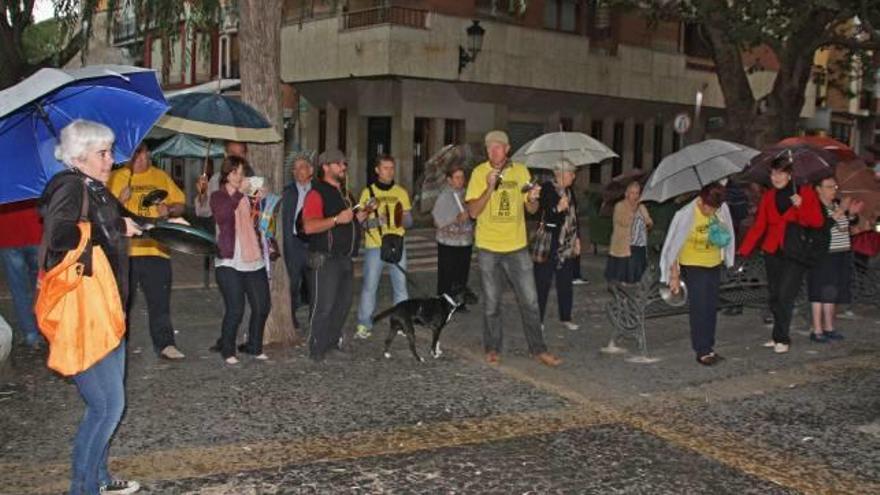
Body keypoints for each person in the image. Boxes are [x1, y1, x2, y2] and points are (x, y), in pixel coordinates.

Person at [40, 120, 142, 494]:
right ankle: (81, 489)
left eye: (110, 151)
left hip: (108, 310)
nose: (110, 159)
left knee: (105, 405)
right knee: (107, 406)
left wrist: (165, 224)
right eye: (103, 153)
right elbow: (58, 239)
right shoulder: (67, 187)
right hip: (86, 314)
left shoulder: (96, 189)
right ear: (79, 156)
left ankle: (99, 478)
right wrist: (112, 228)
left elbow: (126, 222)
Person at [465, 130, 562, 367]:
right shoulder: (479, 173)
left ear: (507, 149)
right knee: (492, 303)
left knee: (530, 300)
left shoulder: (520, 171)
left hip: (517, 247)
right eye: (489, 148)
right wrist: (489, 188)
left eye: (497, 147)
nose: (493, 151)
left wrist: (532, 199)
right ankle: (492, 348)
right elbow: (473, 212)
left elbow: (531, 209)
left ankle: (538, 349)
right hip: (488, 247)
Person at [738, 156, 825, 353]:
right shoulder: (769, 196)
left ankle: (782, 338)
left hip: (795, 252)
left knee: (786, 294)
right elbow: (760, 225)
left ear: (790, 174)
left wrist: (801, 205)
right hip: (772, 251)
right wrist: (744, 249)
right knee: (775, 295)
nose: (775, 177)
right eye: (773, 173)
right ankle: (777, 333)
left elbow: (817, 222)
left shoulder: (805, 193)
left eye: (780, 173)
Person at [108, 144, 187, 360]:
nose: (141, 158)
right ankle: (117, 346)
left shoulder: (161, 176)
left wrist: (169, 209)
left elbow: (180, 203)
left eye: (144, 153)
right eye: (136, 154)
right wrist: (120, 201)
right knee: (121, 303)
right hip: (126, 252)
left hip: (156, 249)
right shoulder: (114, 177)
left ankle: (166, 344)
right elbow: (103, 214)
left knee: (160, 301)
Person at [301, 149, 369, 360]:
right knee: (324, 306)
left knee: (342, 304)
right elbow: (309, 227)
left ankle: (331, 344)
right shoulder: (316, 193)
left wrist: (361, 216)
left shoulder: (347, 194)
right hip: (325, 258)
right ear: (326, 166)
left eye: (344, 163)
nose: (343, 167)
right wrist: (336, 220)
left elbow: (349, 222)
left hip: (345, 258)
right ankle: (316, 348)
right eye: (339, 163)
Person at [660, 183, 735, 366]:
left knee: (711, 306)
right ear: (701, 201)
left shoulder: (720, 208)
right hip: (693, 264)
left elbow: (729, 234)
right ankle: (702, 350)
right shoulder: (685, 214)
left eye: (715, 209)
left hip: (714, 263)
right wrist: (674, 275)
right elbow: (673, 247)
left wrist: (719, 228)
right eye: (710, 208)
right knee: (700, 307)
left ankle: (709, 346)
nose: (712, 212)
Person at [209, 156, 271, 364]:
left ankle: (254, 346)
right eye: (235, 172)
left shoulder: (248, 196)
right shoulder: (219, 196)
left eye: (242, 172)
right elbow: (224, 217)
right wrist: (239, 194)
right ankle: (228, 349)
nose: (239, 177)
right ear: (227, 174)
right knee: (235, 308)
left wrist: (262, 201)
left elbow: (261, 222)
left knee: (262, 305)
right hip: (229, 259)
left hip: (253, 256)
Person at [355, 154, 413, 339]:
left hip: (397, 244)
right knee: (370, 286)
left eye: (392, 168)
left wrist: (400, 218)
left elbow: (409, 222)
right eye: (386, 168)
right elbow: (360, 223)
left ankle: (402, 322)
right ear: (377, 170)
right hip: (375, 245)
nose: (389, 171)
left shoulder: (401, 192)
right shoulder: (368, 193)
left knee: (401, 286)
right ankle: (364, 323)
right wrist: (376, 220)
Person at [807, 177, 859, 343]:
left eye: (835, 186)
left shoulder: (835, 205)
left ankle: (829, 327)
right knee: (818, 291)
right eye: (829, 187)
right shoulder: (816, 207)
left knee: (831, 292)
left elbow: (843, 226)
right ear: (818, 189)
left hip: (840, 252)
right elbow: (821, 227)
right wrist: (841, 210)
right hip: (823, 254)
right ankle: (817, 329)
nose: (833, 190)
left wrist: (851, 214)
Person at [532, 159, 581, 331]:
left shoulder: (569, 191)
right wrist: (557, 208)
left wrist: (578, 239)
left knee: (566, 281)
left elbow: (574, 217)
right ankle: (538, 320)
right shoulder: (547, 189)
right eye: (571, 173)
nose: (573, 176)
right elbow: (545, 214)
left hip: (566, 242)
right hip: (550, 240)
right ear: (560, 174)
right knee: (542, 282)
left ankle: (566, 317)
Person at [0, 199, 43, 348]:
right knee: (41, 285)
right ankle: (46, 326)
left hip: (6, 236)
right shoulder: (33, 176)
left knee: (19, 289)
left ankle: (31, 335)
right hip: (36, 230)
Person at [280, 156, 315, 329]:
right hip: (294, 243)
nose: (297, 171)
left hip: (313, 243)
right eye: (294, 168)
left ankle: (315, 320)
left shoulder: (318, 191)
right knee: (293, 283)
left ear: (310, 170)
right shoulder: (287, 192)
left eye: (301, 167)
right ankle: (291, 317)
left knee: (314, 284)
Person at [431, 164, 474, 303]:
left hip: (465, 241)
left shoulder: (468, 194)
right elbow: (437, 220)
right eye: (457, 177)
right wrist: (455, 219)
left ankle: (459, 302)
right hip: (448, 243)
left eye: (462, 177)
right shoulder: (444, 196)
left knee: (462, 275)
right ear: (449, 180)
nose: (460, 180)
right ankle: (443, 303)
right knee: (447, 275)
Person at [605, 180, 653, 285]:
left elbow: (649, 221)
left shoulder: (641, 206)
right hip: (624, 243)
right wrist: (634, 211)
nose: (635, 196)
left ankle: (637, 280)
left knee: (638, 264)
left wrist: (648, 224)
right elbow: (624, 222)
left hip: (639, 242)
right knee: (624, 269)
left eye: (637, 193)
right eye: (632, 193)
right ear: (626, 194)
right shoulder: (620, 206)